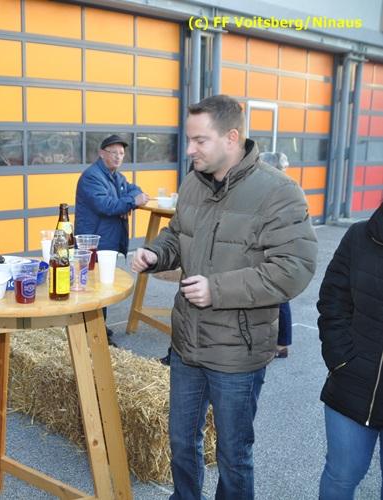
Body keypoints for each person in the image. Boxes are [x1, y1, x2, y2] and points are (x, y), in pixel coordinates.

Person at [131, 94, 317, 500]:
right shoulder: (193, 183)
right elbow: (178, 235)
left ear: (232, 137)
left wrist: (217, 290)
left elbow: (294, 269)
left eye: (200, 140)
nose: (190, 149)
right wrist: (156, 253)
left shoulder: (279, 192)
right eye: (189, 139)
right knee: (182, 442)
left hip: (238, 351)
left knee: (233, 455)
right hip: (187, 343)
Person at [316, 201, 383, 499]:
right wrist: (341, 359)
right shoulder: (358, 237)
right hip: (353, 384)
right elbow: (332, 300)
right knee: (340, 478)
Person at [75, 134, 149, 345]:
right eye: (113, 152)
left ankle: (98, 327)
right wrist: (131, 201)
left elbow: (135, 190)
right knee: (94, 287)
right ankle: (93, 335)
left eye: (121, 153)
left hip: (107, 240)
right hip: (93, 242)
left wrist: (128, 199)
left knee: (102, 285)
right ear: (101, 153)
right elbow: (107, 206)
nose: (118, 157)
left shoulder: (116, 176)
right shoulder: (92, 177)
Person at [258, 151, 293, 358]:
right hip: (272, 248)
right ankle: (279, 342)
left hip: (277, 250)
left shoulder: (281, 192)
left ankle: (281, 344)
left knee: (279, 296)